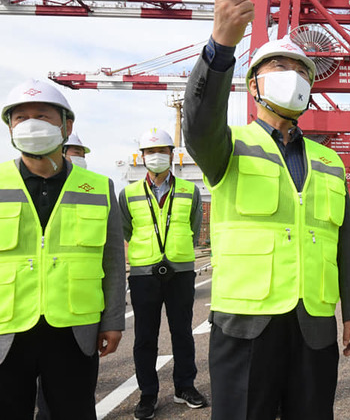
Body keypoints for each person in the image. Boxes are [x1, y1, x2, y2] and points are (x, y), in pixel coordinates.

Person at [182, 0, 350, 420]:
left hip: (314, 326)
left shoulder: (327, 160)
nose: (295, 76)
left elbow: (343, 242)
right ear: (254, 85)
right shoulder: (229, 147)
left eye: (303, 71)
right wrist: (221, 48)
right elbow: (198, 124)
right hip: (247, 326)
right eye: (280, 66)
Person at [0, 79, 125, 419]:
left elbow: (113, 259)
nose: (30, 123)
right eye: (20, 117)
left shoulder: (99, 188)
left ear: (67, 126)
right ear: (9, 128)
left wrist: (112, 320)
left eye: (41, 115)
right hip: (7, 329)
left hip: (73, 329)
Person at [118, 127, 207, 419]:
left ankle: (185, 387)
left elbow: (194, 229)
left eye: (161, 151)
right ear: (141, 157)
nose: (156, 156)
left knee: (182, 333)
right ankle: (148, 394)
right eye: (150, 152)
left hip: (180, 271)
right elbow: (126, 230)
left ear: (172, 154)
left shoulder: (189, 190)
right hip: (144, 273)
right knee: (145, 336)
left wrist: (177, 250)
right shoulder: (128, 194)